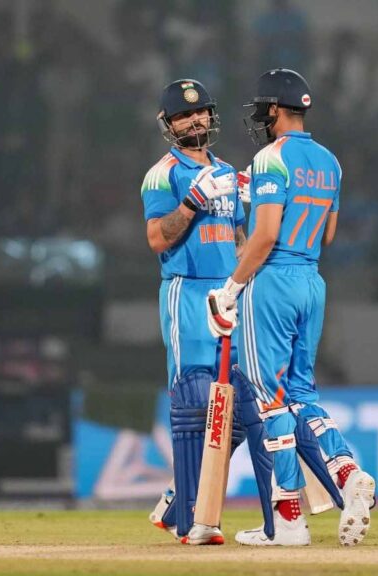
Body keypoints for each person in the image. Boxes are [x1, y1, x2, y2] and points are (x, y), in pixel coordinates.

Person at [205, 69, 376, 546]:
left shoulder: (270, 158)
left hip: (273, 281)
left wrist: (230, 290)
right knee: (301, 392)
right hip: (312, 280)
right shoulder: (330, 161)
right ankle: (346, 471)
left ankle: (289, 520)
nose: (260, 116)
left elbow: (263, 237)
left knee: (271, 400)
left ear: (276, 109)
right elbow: (328, 234)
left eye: (263, 108)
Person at [141, 78, 246, 545]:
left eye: (200, 110)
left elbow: (239, 239)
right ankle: (191, 520)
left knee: (244, 404)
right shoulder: (162, 174)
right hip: (186, 291)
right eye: (184, 115)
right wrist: (190, 203)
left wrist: (247, 283)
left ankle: (177, 498)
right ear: (169, 124)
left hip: (229, 293)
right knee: (195, 398)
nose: (195, 119)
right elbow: (156, 239)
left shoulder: (229, 172)